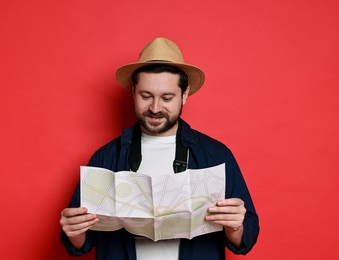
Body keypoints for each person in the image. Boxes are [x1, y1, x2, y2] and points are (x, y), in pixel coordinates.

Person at [60, 37, 259, 260]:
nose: (155, 108)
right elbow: (82, 243)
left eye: (167, 97)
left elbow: (246, 239)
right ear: (133, 92)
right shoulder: (105, 157)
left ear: (184, 95)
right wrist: (73, 230)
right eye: (146, 96)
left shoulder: (216, 155)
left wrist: (235, 227)